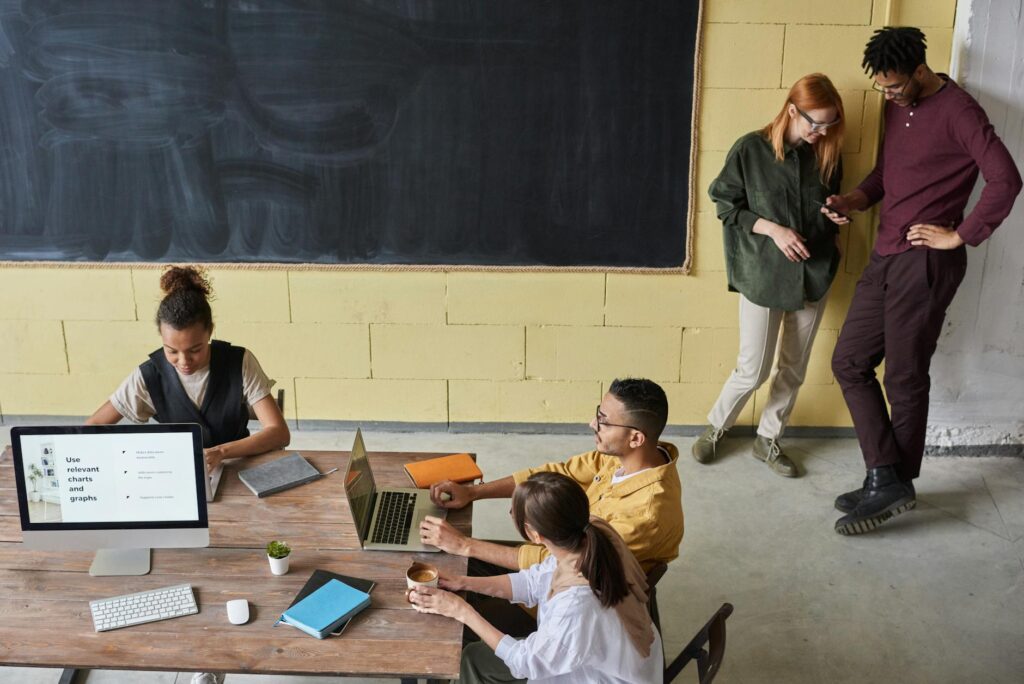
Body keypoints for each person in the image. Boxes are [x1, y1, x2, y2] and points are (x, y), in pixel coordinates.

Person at [825, 27, 1022, 535]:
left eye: (893, 86)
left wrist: (960, 235)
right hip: (885, 253)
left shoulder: (960, 111)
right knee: (849, 360)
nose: (887, 95)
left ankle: (889, 480)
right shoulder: (896, 105)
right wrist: (855, 200)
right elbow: (887, 174)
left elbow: (1006, 179)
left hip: (926, 263)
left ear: (919, 70)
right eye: (881, 88)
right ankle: (886, 476)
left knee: (904, 375)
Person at [419, 377, 682, 637]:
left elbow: (565, 565)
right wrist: (473, 492)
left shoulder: (646, 515)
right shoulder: (629, 456)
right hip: (551, 561)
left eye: (604, 421)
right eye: (597, 414)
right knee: (450, 565)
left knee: (447, 627)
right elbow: (560, 472)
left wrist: (466, 544)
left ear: (636, 438)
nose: (593, 424)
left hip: (567, 602)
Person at [692, 73, 848, 477]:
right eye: (815, 122)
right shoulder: (751, 150)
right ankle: (717, 426)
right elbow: (726, 204)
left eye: (830, 124)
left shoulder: (828, 154)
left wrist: (836, 213)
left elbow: (826, 209)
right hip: (763, 276)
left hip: (813, 274)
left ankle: (769, 438)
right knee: (753, 368)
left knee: (794, 367)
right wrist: (774, 230)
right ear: (792, 110)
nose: (822, 131)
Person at [409, 471, 663, 684]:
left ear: (534, 534)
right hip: (618, 654)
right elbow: (532, 582)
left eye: (514, 513)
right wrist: (462, 582)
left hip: (601, 676)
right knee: (475, 654)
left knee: (474, 658)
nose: (511, 514)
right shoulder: (590, 532)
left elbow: (527, 662)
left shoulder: (576, 603)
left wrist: (462, 611)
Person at [87, 266, 290, 476]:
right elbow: (93, 426)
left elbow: (279, 433)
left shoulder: (238, 361)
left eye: (195, 350)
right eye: (172, 351)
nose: (184, 361)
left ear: (210, 331)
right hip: (179, 477)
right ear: (161, 337)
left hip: (240, 471)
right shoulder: (148, 376)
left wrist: (221, 451)